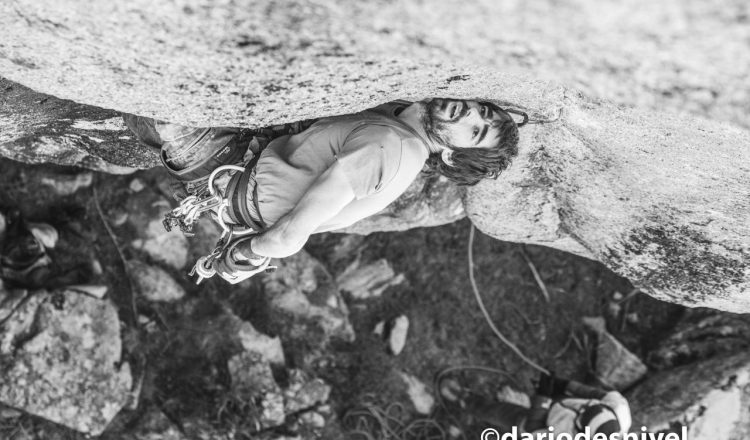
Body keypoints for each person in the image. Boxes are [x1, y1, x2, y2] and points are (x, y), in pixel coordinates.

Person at [124, 98, 522, 282]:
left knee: (140, 98)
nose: (467, 113)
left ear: (451, 156)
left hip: (220, 168)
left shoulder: (391, 148)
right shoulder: (403, 127)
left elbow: (291, 236)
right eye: (480, 112)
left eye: (474, 132)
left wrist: (236, 257)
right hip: (244, 165)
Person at [462, 372, 632, 436]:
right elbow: (592, 393)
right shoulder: (619, 408)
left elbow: (533, 428)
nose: (581, 410)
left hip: (540, 425)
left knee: (503, 414)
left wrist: (543, 397)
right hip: (561, 406)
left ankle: (466, 401)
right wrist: (562, 384)